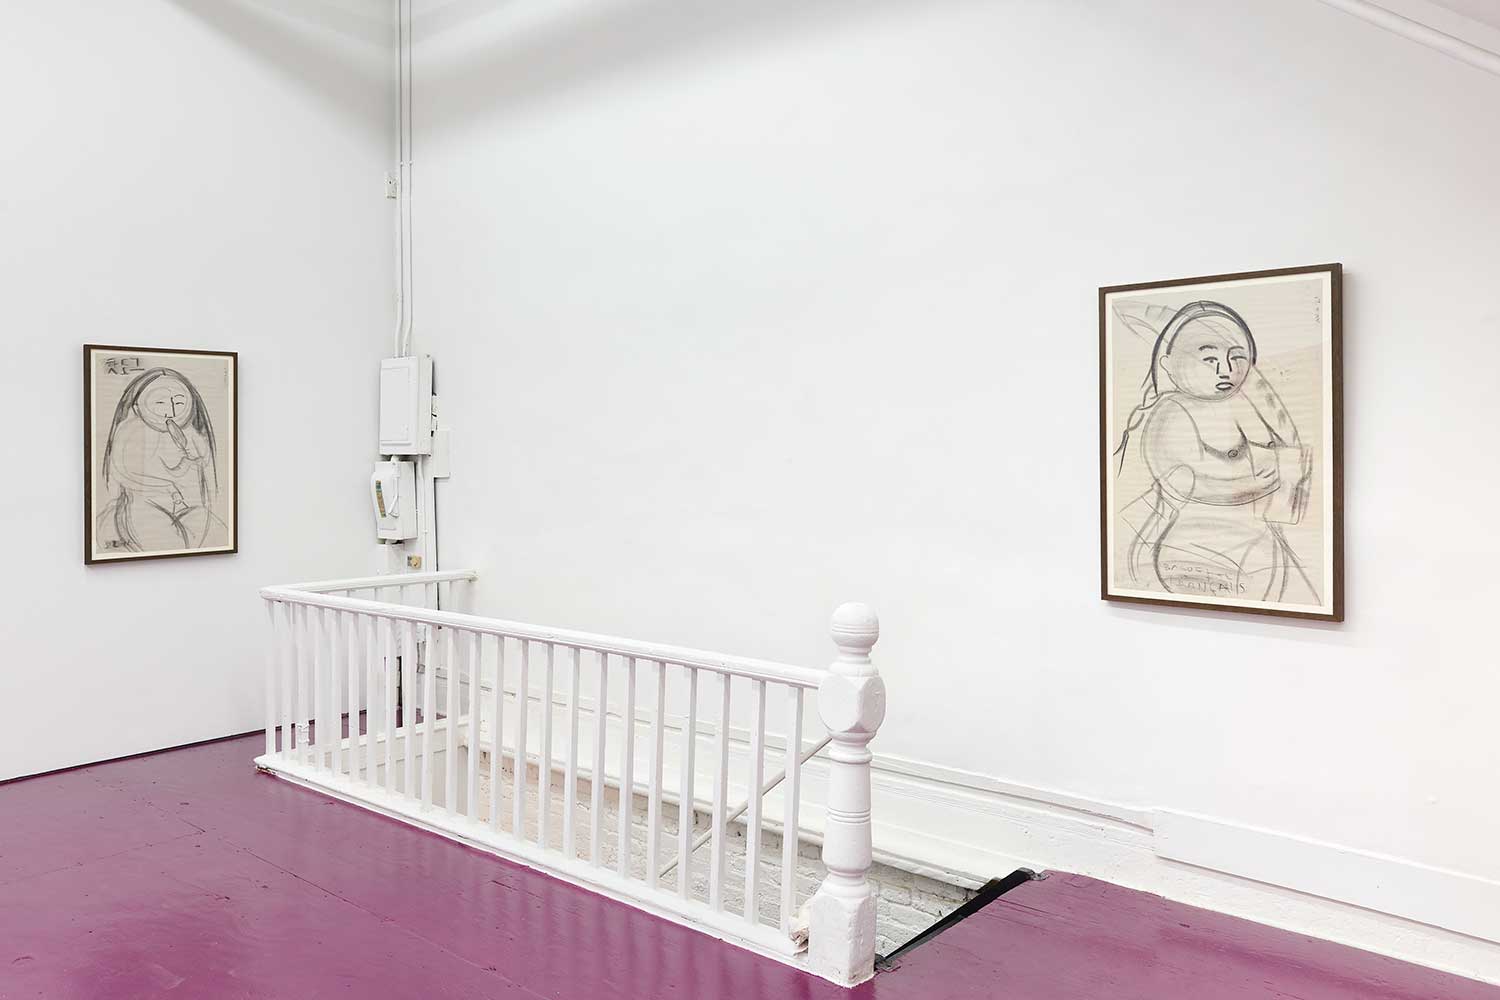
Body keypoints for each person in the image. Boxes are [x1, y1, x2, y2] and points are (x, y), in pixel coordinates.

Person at [1115, 301, 1316, 603]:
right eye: (1209, 359)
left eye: (1237, 357)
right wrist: (1260, 480)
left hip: (1254, 543)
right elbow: (1187, 479)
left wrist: (1283, 466)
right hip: (1196, 547)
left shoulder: (1237, 408)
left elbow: (1261, 458)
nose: (1227, 370)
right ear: (1168, 364)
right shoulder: (1171, 412)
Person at [96, 368, 225, 552]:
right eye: (160, 402)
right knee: (162, 541)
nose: (171, 410)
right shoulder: (131, 430)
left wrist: (192, 457)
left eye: (179, 402)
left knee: (209, 532)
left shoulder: (187, 431)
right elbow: (126, 471)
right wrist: (169, 482)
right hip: (145, 504)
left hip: (186, 505)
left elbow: (201, 458)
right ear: (138, 406)